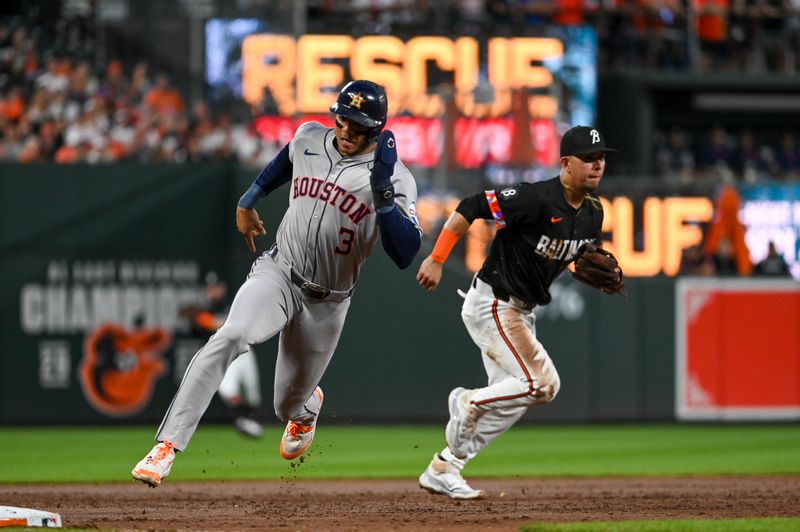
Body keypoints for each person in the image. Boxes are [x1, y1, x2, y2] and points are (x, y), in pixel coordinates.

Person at [131, 80, 422, 487]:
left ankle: (304, 410)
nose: (345, 132)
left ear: (377, 130)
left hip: (328, 302)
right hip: (278, 273)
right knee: (230, 336)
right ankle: (166, 448)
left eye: (358, 127)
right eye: (342, 120)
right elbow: (285, 162)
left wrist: (384, 194)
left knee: (286, 405)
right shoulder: (309, 137)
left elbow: (406, 253)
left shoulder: (398, 180)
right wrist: (248, 198)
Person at [416, 125, 619, 499]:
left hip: (520, 311)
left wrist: (594, 272)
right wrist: (437, 257)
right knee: (541, 383)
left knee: (520, 395)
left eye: (601, 157)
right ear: (565, 163)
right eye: (588, 158)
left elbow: (578, 259)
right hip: (494, 301)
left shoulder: (593, 212)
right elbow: (472, 205)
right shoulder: (535, 198)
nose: (597, 164)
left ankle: (445, 466)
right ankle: (467, 401)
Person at [179, 272, 263, 438]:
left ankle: (248, 419)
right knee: (228, 390)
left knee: (252, 395)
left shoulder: (233, 305)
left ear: (222, 288)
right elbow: (197, 331)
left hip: (242, 352)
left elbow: (225, 325)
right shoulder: (204, 311)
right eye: (210, 288)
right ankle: (243, 421)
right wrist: (195, 322)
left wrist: (204, 320)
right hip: (223, 356)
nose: (213, 291)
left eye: (216, 287)